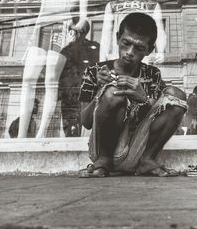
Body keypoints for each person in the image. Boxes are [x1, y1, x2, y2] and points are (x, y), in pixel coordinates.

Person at [78, 13, 187, 177]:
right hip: (102, 153)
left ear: (149, 50)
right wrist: (100, 92)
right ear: (117, 38)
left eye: (139, 48)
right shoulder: (94, 71)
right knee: (112, 93)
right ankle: (103, 162)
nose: (130, 52)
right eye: (126, 43)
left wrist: (143, 98)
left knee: (176, 95)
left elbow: (160, 119)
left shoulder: (152, 74)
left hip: (138, 151)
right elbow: (85, 122)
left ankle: (147, 161)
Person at [18, 0, 88, 138]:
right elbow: (41, 12)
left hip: (61, 29)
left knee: (51, 80)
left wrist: (73, 32)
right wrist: (29, 44)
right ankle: (20, 135)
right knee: (27, 79)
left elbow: (83, 18)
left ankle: (40, 134)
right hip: (42, 29)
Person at [99, 0, 166, 64]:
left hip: (141, 57)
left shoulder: (152, 5)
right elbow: (106, 34)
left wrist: (161, 51)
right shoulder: (113, 5)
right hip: (117, 56)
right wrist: (102, 60)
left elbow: (159, 30)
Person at [59, 18, 99, 137]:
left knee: (85, 125)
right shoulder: (66, 50)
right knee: (71, 125)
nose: (74, 33)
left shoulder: (93, 48)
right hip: (69, 94)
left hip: (84, 93)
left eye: (75, 31)